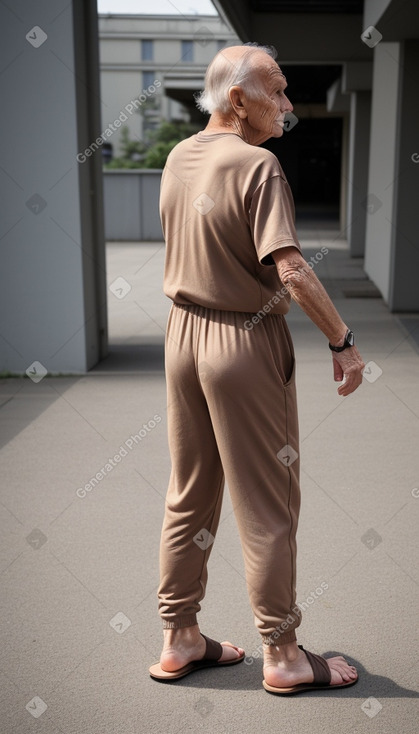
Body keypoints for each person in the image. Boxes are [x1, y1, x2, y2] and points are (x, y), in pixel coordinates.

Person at [149, 43, 364, 694]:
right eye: (277, 91)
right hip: (241, 342)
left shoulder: (179, 157)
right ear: (237, 99)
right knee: (268, 505)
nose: (288, 104)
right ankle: (284, 653)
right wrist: (341, 341)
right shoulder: (258, 164)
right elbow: (291, 269)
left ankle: (180, 636)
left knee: (190, 494)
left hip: (181, 335)